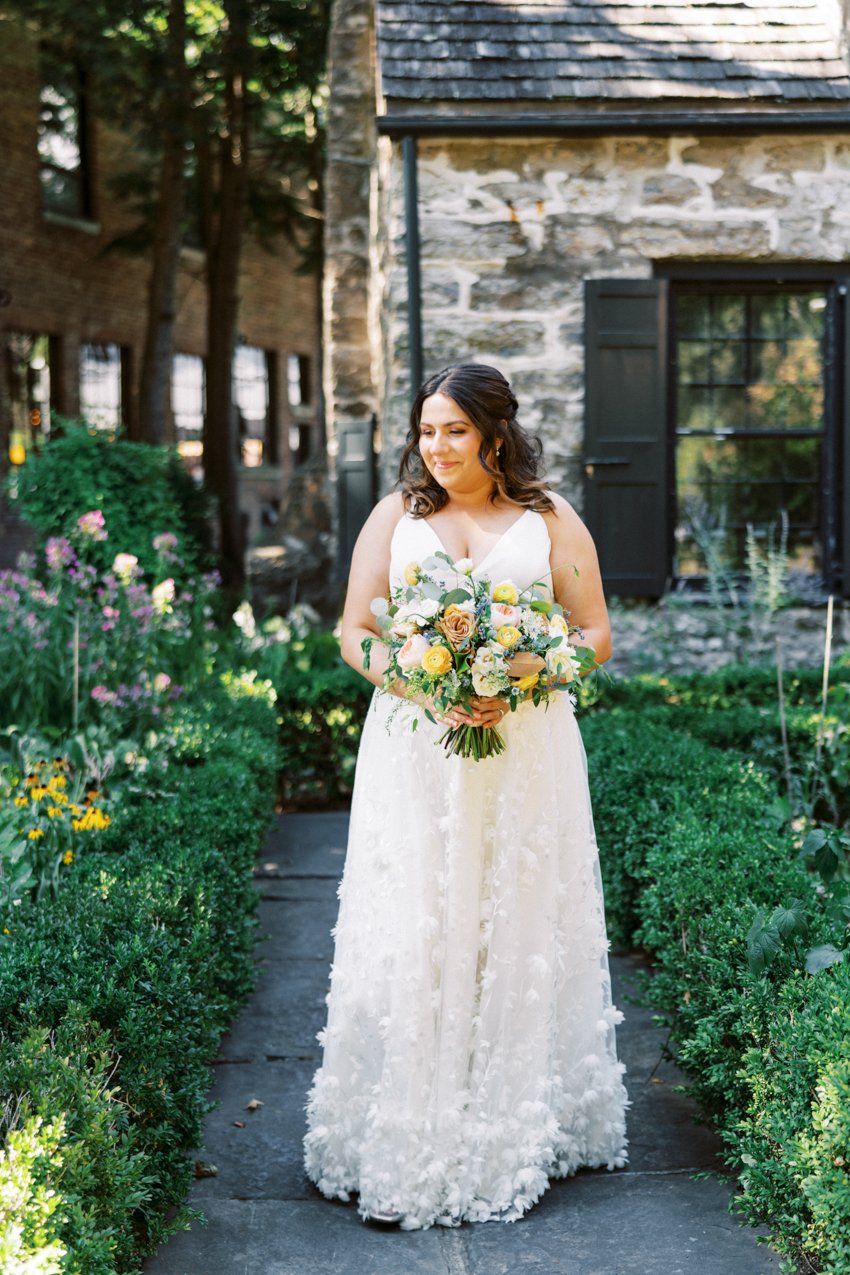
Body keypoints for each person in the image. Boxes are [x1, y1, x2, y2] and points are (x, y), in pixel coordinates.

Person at [304, 363, 629, 1229]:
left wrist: (527, 671)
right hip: (417, 749)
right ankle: (406, 1117)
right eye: (425, 431)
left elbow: (595, 632)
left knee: (512, 913)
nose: (436, 447)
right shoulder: (395, 517)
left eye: (453, 430)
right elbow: (353, 631)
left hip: (524, 746)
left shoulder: (550, 520)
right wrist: (419, 685)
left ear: (494, 432)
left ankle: (509, 1119)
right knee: (420, 912)